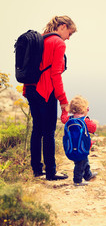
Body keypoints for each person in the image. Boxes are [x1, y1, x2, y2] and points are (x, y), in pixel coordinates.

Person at [23, 16, 77, 180]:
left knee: (37, 129)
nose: (68, 37)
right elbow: (55, 74)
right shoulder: (58, 43)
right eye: (70, 33)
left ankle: (37, 170)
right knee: (48, 132)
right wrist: (63, 101)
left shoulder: (39, 39)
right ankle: (51, 172)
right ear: (62, 26)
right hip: (46, 91)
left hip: (30, 88)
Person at [61, 95, 97, 186]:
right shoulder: (85, 120)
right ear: (84, 109)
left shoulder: (70, 119)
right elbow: (93, 128)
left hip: (72, 146)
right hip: (82, 146)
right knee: (80, 163)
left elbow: (63, 119)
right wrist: (91, 120)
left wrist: (64, 111)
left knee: (84, 160)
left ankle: (88, 175)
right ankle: (77, 180)